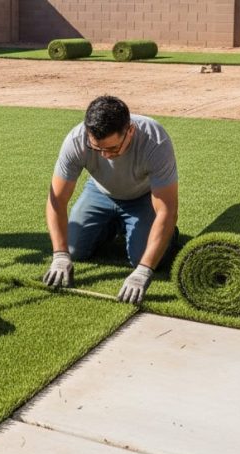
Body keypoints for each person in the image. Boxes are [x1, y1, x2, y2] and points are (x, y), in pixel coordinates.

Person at [43, 96, 179, 305]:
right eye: (98, 149)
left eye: (113, 149)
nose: (105, 155)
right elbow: (57, 200)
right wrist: (60, 255)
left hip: (142, 198)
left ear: (130, 131)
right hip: (100, 192)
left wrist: (143, 271)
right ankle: (113, 225)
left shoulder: (155, 141)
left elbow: (167, 210)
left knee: (141, 258)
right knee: (73, 250)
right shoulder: (76, 140)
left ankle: (167, 234)